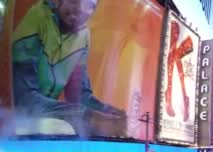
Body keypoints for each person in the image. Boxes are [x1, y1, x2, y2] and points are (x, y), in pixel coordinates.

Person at [11, 0, 127, 137]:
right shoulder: (37, 18)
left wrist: (108, 112)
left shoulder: (84, 35)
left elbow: (79, 95)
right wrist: (86, 116)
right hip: (11, 120)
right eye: (74, 1)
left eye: (89, 6)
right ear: (59, 2)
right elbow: (23, 99)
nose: (80, 9)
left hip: (41, 118)